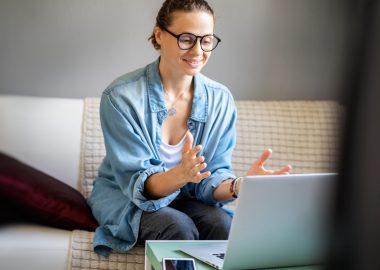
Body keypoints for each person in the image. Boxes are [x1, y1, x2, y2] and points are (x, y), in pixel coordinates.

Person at [89, 0, 291, 257]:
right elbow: (137, 183)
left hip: (185, 197)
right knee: (177, 227)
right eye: (186, 38)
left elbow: (212, 175)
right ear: (160, 35)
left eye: (206, 40)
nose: (197, 51)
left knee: (222, 224)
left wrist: (241, 186)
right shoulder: (121, 97)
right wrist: (181, 174)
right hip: (125, 196)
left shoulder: (220, 99)